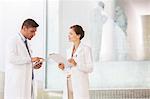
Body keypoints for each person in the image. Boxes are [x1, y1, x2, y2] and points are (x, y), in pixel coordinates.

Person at [4, 18, 43, 99]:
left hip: (27, 82)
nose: (34, 34)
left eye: (35, 32)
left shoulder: (26, 43)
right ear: (24, 28)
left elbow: (24, 62)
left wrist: (34, 66)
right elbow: (11, 58)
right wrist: (30, 60)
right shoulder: (13, 40)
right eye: (32, 31)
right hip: (17, 83)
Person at [58, 25, 93, 99]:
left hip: (80, 83)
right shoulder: (68, 50)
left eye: (71, 34)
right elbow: (69, 68)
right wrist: (63, 68)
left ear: (78, 35)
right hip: (69, 82)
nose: (69, 36)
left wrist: (76, 64)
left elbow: (90, 68)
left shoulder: (86, 49)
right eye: (68, 34)